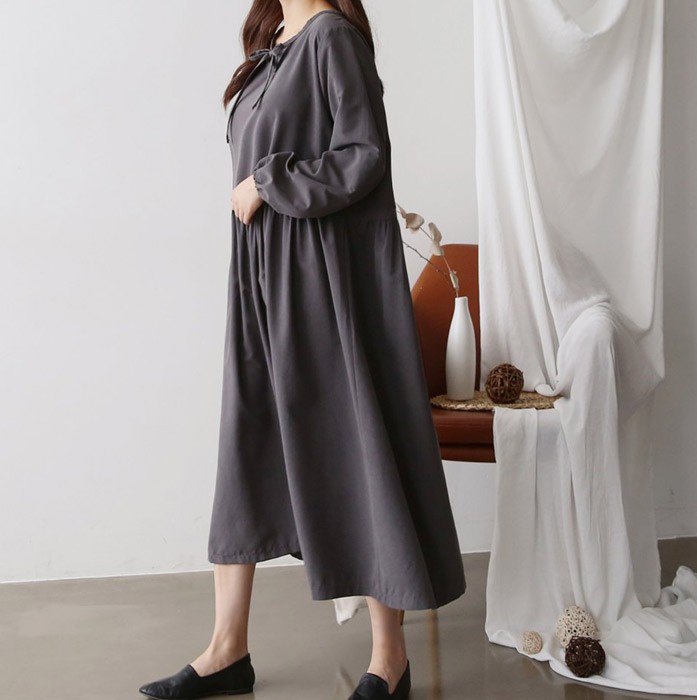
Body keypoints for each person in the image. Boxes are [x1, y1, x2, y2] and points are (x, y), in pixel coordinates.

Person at [138, 2, 466, 699]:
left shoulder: (332, 38)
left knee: (356, 444)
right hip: (259, 281)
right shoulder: (274, 44)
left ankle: (390, 660)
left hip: (320, 282)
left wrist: (268, 181)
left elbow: (363, 156)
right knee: (246, 444)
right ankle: (226, 649)